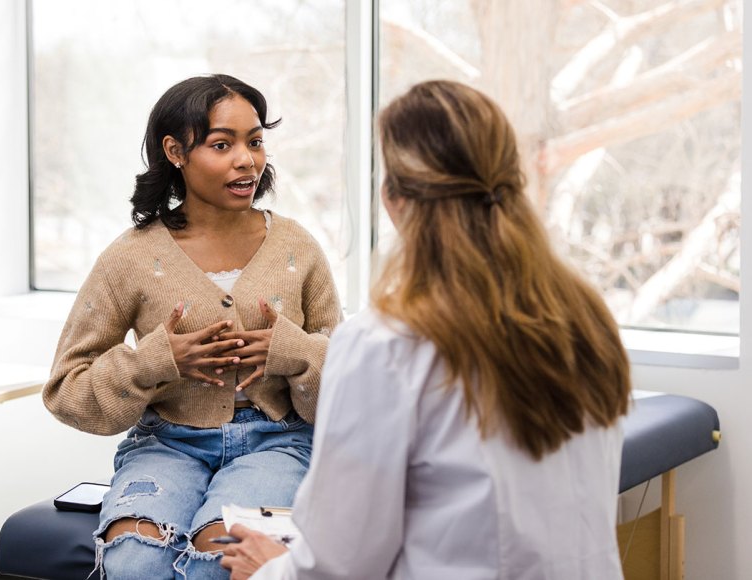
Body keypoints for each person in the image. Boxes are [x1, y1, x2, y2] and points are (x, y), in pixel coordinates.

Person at [221, 79, 632, 579]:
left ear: (394, 198)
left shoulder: (386, 345)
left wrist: (270, 569)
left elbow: (339, 566)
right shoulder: (586, 319)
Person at [42, 74, 343, 580]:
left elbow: (350, 384)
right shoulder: (131, 257)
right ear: (175, 152)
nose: (246, 160)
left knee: (219, 560)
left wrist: (295, 354)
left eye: (255, 142)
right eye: (222, 145)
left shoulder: (298, 248)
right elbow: (66, 389)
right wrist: (155, 363)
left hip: (277, 443)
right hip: (165, 444)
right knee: (135, 562)